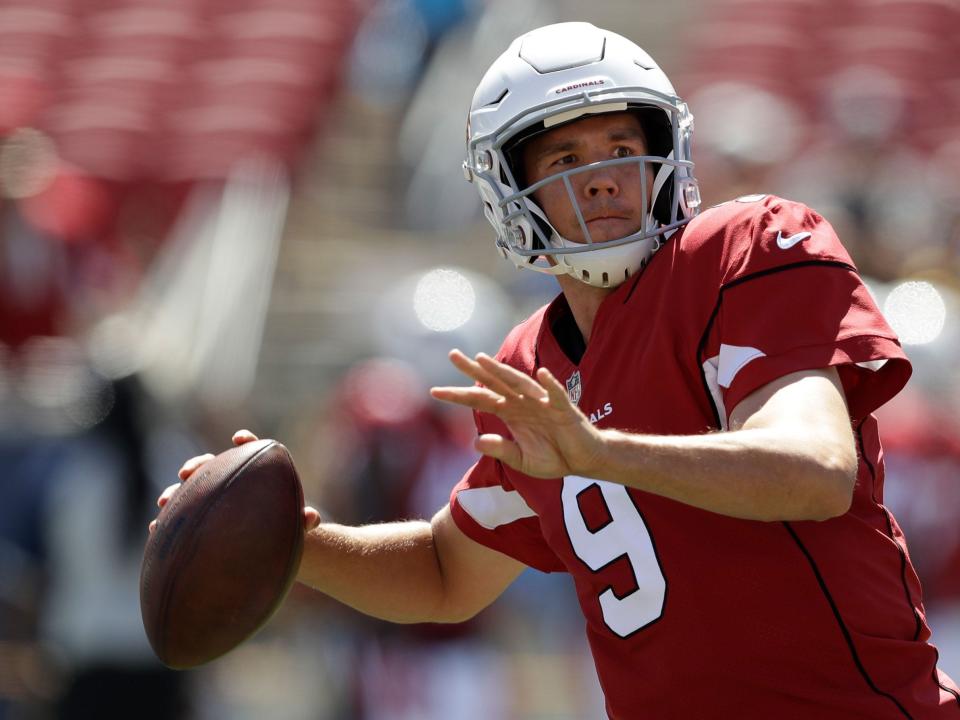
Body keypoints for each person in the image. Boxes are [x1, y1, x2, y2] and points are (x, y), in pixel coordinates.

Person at [153, 22, 960, 719]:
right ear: (511, 186)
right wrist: (305, 545)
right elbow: (446, 572)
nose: (603, 174)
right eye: (565, 156)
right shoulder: (527, 367)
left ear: (665, 155)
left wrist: (602, 452)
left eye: (621, 147)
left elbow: (815, 471)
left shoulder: (746, 248)